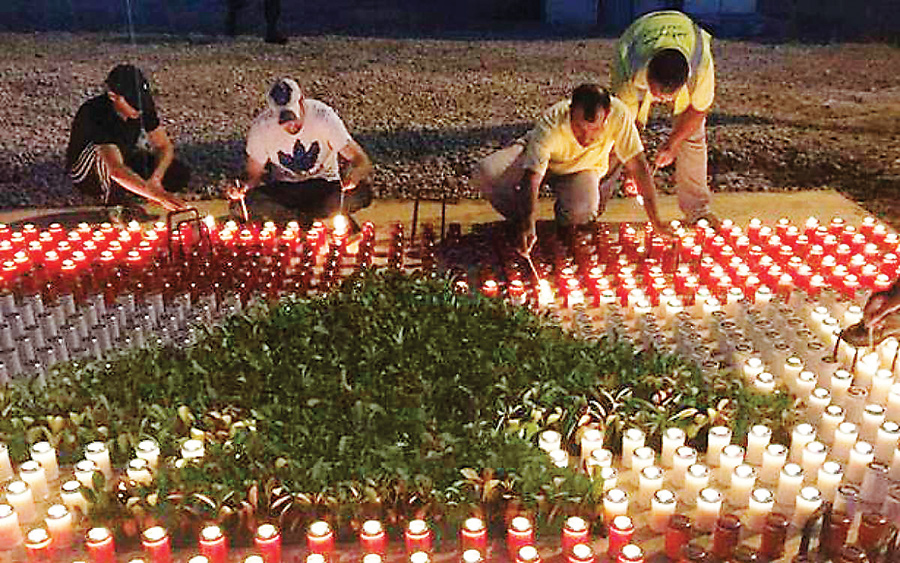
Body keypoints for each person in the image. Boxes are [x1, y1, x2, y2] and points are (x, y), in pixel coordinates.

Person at [471, 83, 672, 256]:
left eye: (594, 129)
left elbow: (639, 167)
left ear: (607, 115)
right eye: (579, 127)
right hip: (536, 160)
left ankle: (562, 229)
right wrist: (527, 223)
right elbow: (531, 178)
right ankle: (523, 224)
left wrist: (655, 220)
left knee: (584, 210)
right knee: (486, 173)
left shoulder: (619, 115)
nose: (586, 138)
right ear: (570, 111)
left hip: (582, 169)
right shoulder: (552, 122)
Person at [611, 10, 717, 226]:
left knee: (693, 136)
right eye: (657, 94)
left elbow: (698, 110)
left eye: (668, 97)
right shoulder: (629, 69)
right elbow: (626, 127)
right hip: (639, 34)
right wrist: (634, 167)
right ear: (647, 76)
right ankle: (590, 211)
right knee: (612, 140)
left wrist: (672, 144)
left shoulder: (700, 67)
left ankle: (697, 210)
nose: (661, 101)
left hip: (684, 41)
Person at [228, 78, 373, 225]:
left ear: (301, 102)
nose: (291, 126)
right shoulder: (261, 128)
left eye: (293, 117)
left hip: (324, 186)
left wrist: (354, 175)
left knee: (361, 192)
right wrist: (242, 186)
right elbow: (253, 174)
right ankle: (310, 220)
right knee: (241, 204)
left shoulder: (323, 117)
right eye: (284, 121)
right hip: (285, 189)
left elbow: (361, 160)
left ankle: (292, 219)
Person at [66, 64, 188, 215]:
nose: (139, 109)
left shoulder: (143, 105)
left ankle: (133, 190)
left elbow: (163, 145)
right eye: (132, 104)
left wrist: (156, 178)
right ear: (113, 96)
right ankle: (113, 205)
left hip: (123, 157)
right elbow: (115, 169)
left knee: (177, 173)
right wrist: (158, 195)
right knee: (103, 158)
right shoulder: (95, 112)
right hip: (89, 171)